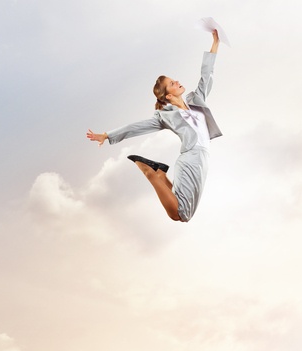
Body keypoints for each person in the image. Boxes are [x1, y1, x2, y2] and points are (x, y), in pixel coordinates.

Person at [86, 31, 221, 222]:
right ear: (168, 96)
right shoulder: (166, 116)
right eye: (173, 83)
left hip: (201, 159)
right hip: (192, 159)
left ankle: (159, 172)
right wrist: (107, 135)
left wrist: (215, 43)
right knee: (180, 214)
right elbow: (136, 126)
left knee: (182, 210)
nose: (178, 82)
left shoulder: (196, 100)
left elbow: (207, 75)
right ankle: (150, 173)